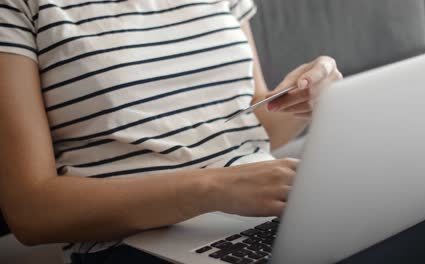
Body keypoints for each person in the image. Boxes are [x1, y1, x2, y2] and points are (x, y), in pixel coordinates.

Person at [0, 0, 342, 263]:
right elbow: (31, 212)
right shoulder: (20, 7)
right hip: (132, 246)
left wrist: (307, 100)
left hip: (260, 217)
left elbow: (252, 128)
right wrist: (214, 188)